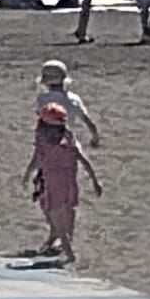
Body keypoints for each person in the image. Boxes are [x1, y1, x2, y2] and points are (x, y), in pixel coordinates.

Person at [25, 102, 102, 265]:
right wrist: (95, 181)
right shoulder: (70, 143)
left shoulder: (44, 145)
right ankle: (64, 244)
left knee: (56, 219)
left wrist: (27, 175)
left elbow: (36, 160)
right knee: (68, 213)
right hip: (70, 184)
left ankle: (69, 253)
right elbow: (84, 161)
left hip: (54, 185)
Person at [35, 58, 102, 147]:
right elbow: (88, 121)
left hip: (47, 145)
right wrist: (95, 138)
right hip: (68, 143)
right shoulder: (74, 99)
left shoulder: (41, 99)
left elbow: (40, 119)